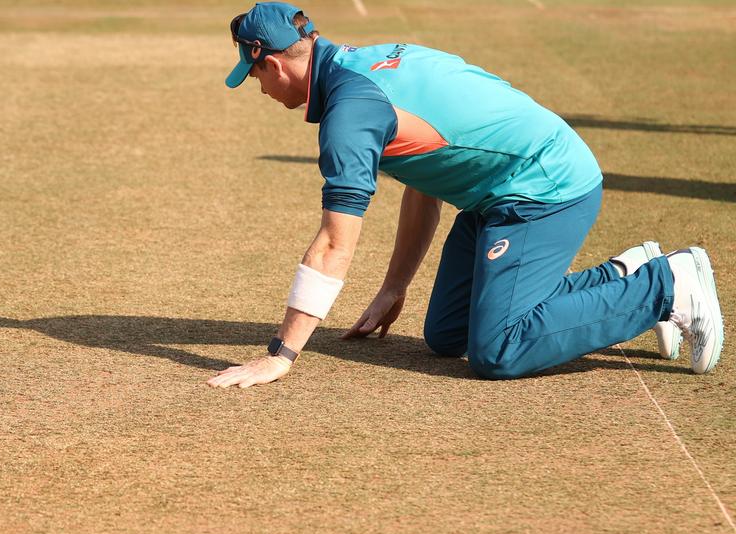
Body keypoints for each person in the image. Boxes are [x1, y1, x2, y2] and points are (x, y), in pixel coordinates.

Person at [206, 2, 723, 388]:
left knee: (498, 348)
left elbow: (332, 246)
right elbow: (423, 185)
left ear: (272, 64)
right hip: (498, 195)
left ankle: (666, 286)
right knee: (448, 334)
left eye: (252, 74)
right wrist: (393, 286)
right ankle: (625, 272)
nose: (259, 88)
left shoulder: (348, 114)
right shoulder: (368, 60)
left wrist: (281, 355)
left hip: (545, 189)